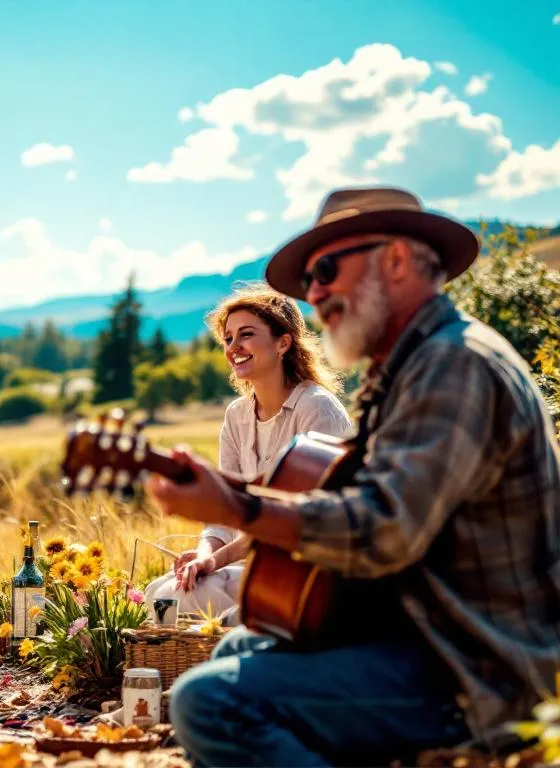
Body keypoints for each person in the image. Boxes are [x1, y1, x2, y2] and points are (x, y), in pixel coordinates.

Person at [146, 186, 560, 767]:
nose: (313, 293)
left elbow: (383, 528)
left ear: (395, 259)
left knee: (208, 702)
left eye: (326, 269)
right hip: (423, 638)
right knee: (237, 645)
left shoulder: (453, 365)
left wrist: (237, 509)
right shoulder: (412, 366)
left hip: (474, 673)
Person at [144, 285, 351, 617]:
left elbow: (294, 522)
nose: (233, 347)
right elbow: (221, 514)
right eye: (228, 338)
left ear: (283, 343)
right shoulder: (237, 416)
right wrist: (203, 555)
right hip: (255, 563)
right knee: (161, 593)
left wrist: (217, 559)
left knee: (189, 601)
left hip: (308, 575)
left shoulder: (316, 409)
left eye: (246, 334)